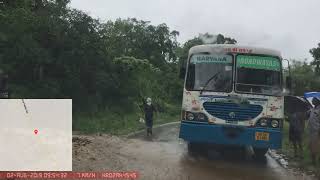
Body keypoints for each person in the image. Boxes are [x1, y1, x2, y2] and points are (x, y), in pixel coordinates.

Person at [307, 97, 320, 165]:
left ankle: (315, 162)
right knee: (312, 146)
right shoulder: (313, 109)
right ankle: (313, 161)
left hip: (317, 131)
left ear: (318, 101)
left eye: (314, 100)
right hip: (311, 131)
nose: (312, 101)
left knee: (315, 147)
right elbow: (308, 116)